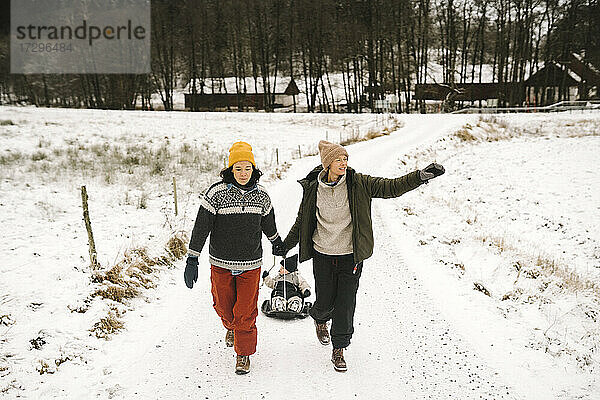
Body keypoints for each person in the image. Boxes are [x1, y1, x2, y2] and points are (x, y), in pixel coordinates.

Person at [281, 140, 445, 372]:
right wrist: (285, 245)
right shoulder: (313, 189)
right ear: (327, 164)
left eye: (345, 159)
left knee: (346, 304)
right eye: (338, 159)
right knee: (325, 301)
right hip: (323, 254)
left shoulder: (359, 183)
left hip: (351, 256)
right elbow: (302, 221)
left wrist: (420, 176)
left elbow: (392, 187)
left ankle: (339, 348)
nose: (343, 163)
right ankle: (319, 318)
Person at [184, 141, 287, 375]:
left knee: (245, 312)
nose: (243, 174)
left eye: (247, 168)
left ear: (254, 169)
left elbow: (268, 225)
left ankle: (243, 354)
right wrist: (192, 258)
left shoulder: (262, 196)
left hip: (251, 264)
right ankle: (231, 327)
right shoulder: (216, 194)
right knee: (223, 306)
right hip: (220, 263)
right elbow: (201, 227)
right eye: (238, 169)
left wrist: (276, 243)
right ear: (230, 169)